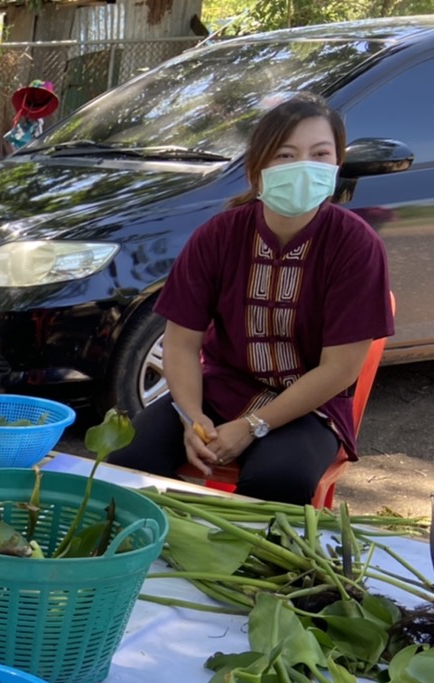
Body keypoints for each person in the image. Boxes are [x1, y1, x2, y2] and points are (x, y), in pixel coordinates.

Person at [107, 93, 394, 504]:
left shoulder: (355, 245)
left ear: (337, 164)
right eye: (286, 155)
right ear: (257, 168)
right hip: (219, 391)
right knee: (129, 460)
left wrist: (252, 425)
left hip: (309, 408)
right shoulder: (218, 236)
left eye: (320, 154)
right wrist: (192, 417)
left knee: (278, 481)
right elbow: (181, 343)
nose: (303, 167)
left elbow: (340, 368)